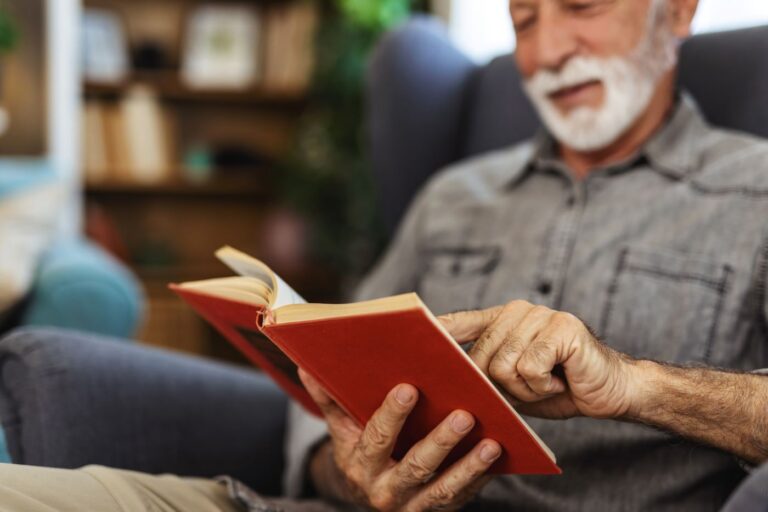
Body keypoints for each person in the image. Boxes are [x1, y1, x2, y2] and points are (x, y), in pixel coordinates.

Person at [1, 0, 767, 510]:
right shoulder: (453, 195)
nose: (549, 51)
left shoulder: (756, 190)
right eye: (523, 21)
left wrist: (635, 384)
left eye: (582, 6)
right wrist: (348, 470)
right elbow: (322, 398)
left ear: (680, 9)